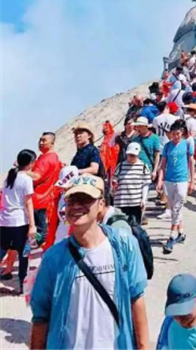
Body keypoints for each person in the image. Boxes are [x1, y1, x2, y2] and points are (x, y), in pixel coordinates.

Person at [30, 174, 149, 350]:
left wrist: (144, 347)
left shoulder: (124, 245)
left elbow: (136, 299)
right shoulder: (53, 258)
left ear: (101, 204)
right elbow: (41, 315)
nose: (76, 206)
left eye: (85, 199)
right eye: (71, 200)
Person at [0, 149, 37, 295]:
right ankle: (23, 286)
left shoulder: (9, 178)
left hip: (4, 221)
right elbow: (28, 203)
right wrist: (32, 225)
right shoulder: (26, 179)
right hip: (19, 222)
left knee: (2, 250)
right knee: (23, 254)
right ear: (31, 163)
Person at [157, 120, 194, 254]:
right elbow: (163, 165)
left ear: (181, 133)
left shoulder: (187, 144)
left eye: (178, 134)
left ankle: (172, 236)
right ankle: (181, 232)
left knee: (178, 207)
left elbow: (191, 162)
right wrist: (160, 180)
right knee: (173, 208)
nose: (176, 136)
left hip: (182, 180)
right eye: (174, 134)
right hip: (169, 180)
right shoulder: (167, 146)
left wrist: (192, 180)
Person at [29, 132, 62, 245]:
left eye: (44, 140)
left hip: (41, 198)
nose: (41, 143)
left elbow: (36, 177)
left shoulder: (47, 159)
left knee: (41, 231)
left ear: (52, 143)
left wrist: (22, 171)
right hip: (43, 198)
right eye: (40, 140)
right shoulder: (48, 157)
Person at [113, 142, 152, 225]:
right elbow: (114, 179)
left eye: (133, 155)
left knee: (135, 225)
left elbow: (145, 184)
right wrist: (114, 185)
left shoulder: (143, 167)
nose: (131, 157)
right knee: (121, 224)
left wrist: (144, 199)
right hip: (121, 201)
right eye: (129, 155)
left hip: (135, 202)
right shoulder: (121, 166)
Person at [43, 165, 78, 250]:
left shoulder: (81, 198)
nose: (64, 188)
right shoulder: (60, 196)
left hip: (74, 237)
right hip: (61, 236)